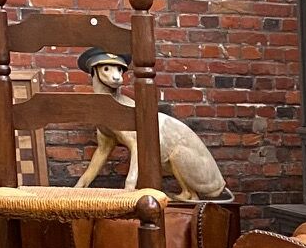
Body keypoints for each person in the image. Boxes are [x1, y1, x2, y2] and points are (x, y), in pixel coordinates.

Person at [74, 48, 229, 201]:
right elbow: (103, 149)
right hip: (167, 162)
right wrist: (79, 187)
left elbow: (138, 146)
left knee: (178, 152)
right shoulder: (106, 113)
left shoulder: (125, 110)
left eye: (120, 70)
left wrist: (129, 189)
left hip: (198, 171)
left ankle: (188, 194)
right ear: (94, 71)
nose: (116, 76)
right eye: (106, 69)